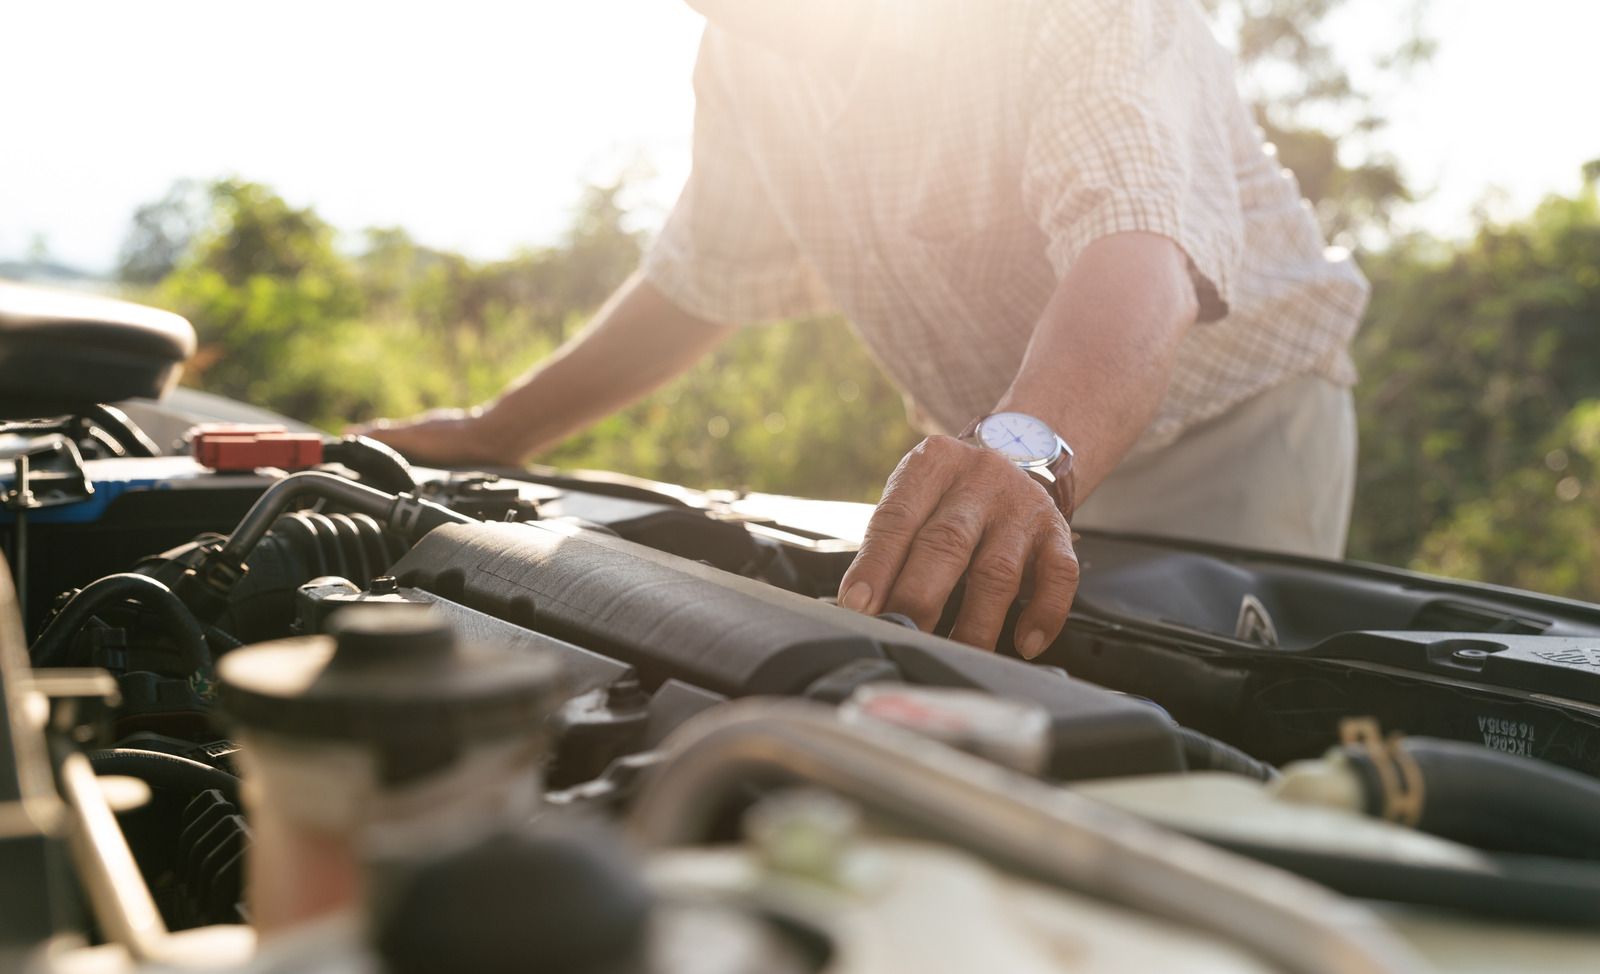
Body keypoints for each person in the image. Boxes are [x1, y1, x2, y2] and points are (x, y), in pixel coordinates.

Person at [358, 0, 1369, 659]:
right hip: (1001, 453)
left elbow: (1138, 248)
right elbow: (705, 275)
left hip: (1226, 425)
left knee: (1189, 736)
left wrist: (1020, 458)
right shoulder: (741, 54)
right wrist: (499, 430)